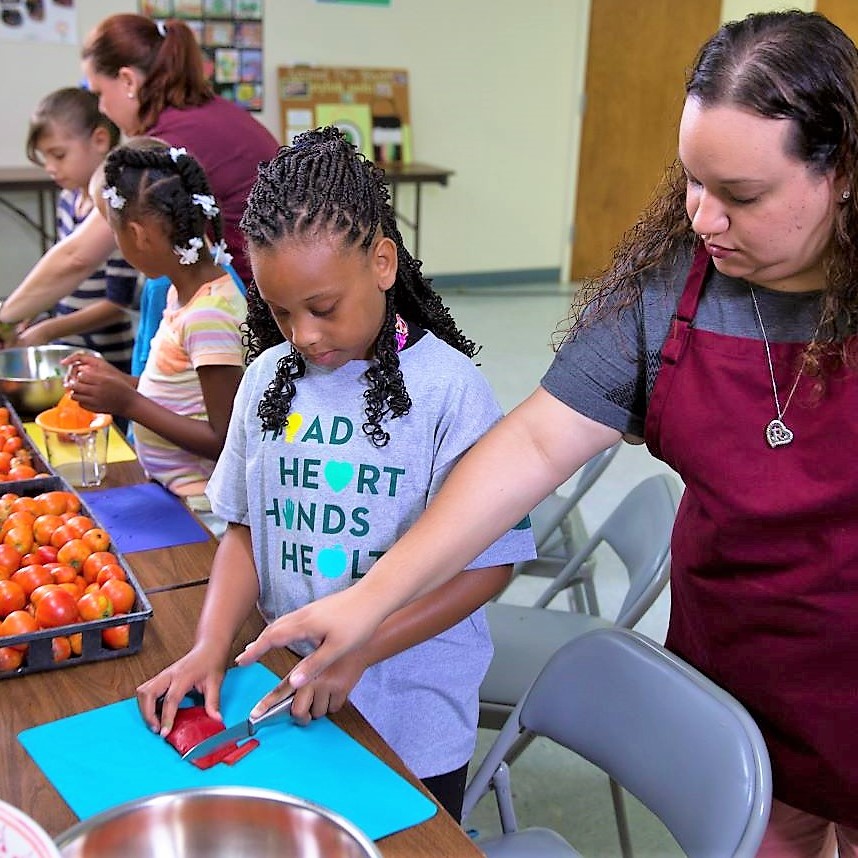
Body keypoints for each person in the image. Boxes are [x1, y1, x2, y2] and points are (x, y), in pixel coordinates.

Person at [217, 11, 858, 855]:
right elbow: (529, 447)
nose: (703, 218)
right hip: (743, 665)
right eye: (693, 182)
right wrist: (369, 602)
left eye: (740, 196)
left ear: (841, 171)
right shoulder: (676, 290)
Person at [135, 127, 535, 822]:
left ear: (382, 262)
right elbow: (244, 532)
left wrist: (362, 648)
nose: (304, 335)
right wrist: (209, 647)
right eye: (280, 311)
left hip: (407, 714)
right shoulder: (267, 378)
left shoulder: (449, 390)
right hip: (288, 698)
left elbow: (489, 567)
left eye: (323, 308)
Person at [0, 13, 277, 361]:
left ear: (128, 80)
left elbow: (77, 257)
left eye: (99, 93)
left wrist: (5, 320)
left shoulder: (168, 145)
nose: (102, 108)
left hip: (255, 312)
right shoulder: (206, 113)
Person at [65, 140, 246, 511]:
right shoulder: (183, 295)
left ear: (138, 234)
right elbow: (184, 396)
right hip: (172, 493)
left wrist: (128, 402)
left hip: (202, 510)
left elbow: (224, 438)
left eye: (114, 232)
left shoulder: (209, 315)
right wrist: (117, 383)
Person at [13, 87, 136, 371]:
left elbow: (117, 304)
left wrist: (49, 330)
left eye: (58, 155)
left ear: (100, 140)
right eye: (45, 158)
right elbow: (60, 274)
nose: (50, 167)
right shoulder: (67, 199)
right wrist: (33, 313)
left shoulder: (116, 208)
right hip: (67, 350)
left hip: (109, 359)